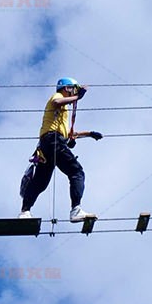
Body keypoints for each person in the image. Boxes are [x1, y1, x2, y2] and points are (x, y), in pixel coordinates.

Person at [19, 77, 103, 221]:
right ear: (67, 88)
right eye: (73, 90)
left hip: (47, 144)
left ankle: (25, 212)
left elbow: (69, 135)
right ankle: (76, 210)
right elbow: (56, 102)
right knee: (76, 171)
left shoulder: (61, 113)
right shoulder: (58, 97)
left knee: (40, 182)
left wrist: (89, 134)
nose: (73, 94)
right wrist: (79, 97)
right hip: (52, 140)